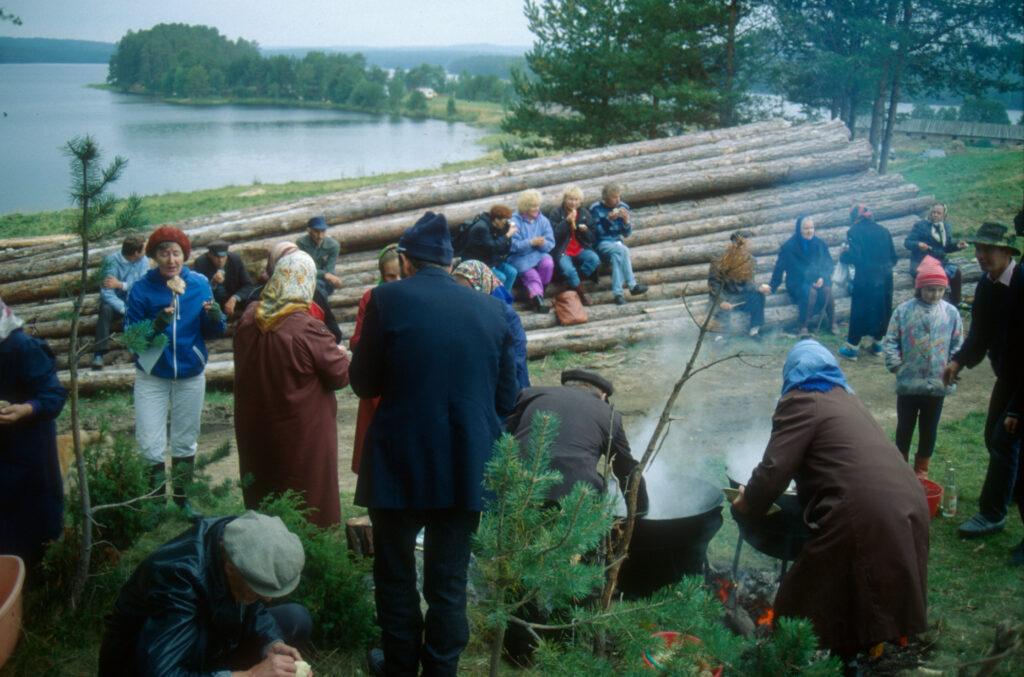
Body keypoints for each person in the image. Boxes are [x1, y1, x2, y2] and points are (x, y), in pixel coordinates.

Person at [349, 211, 518, 677]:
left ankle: (400, 668)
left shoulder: (386, 299)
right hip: (466, 462)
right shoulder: (494, 308)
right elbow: (507, 396)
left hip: (397, 461)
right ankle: (441, 671)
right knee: (449, 580)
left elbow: (363, 383)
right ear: (449, 262)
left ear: (405, 260)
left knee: (395, 574)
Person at [732, 340, 929, 675]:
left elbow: (773, 472)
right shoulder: (848, 400)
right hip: (908, 505)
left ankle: (783, 663)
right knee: (855, 585)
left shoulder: (801, 400)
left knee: (798, 599)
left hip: (862, 513)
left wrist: (746, 503)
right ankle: (850, 657)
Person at [98, 511, 313, 677]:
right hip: (147, 664)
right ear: (230, 568)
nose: (268, 599)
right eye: (261, 590)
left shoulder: (240, 539)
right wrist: (251, 675)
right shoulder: (179, 578)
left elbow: (252, 608)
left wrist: (272, 644)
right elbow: (161, 672)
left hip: (209, 638)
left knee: (296, 619)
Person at [233, 251, 351, 528]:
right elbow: (340, 376)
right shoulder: (306, 327)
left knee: (264, 485)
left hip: (257, 426)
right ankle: (306, 548)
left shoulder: (249, 318)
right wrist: (341, 353)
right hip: (301, 429)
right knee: (303, 492)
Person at [126, 226, 226, 518]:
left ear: (185, 255)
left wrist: (216, 319)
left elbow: (212, 333)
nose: (171, 260)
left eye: (176, 253)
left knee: (185, 437)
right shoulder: (141, 289)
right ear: (154, 257)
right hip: (152, 375)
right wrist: (155, 326)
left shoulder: (198, 284)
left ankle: (183, 501)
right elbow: (132, 339)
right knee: (150, 441)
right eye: (163, 253)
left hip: (190, 373)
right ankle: (157, 504)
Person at [941, 223, 1022, 561]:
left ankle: (992, 513)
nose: (980, 255)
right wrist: (958, 362)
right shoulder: (987, 287)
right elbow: (981, 336)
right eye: (978, 248)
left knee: (1006, 440)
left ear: (1008, 252)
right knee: (993, 437)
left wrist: (1018, 410)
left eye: (988, 249)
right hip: (1010, 375)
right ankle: (1010, 489)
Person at [503, 369, 647, 511]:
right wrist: (640, 515)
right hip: (574, 499)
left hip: (517, 488)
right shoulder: (610, 416)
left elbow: (502, 440)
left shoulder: (530, 394)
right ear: (602, 396)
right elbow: (626, 470)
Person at [0, 295, 67, 571]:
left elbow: (53, 395)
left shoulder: (22, 347)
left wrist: (26, 409)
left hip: (27, 448)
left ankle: (35, 576)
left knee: (28, 516)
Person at [882, 256, 964, 478]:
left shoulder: (950, 313)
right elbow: (890, 340)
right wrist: (897, 366)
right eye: (929, 290)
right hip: (909, 382)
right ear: (919, 289)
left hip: (938, 383)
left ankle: (921, 470)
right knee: (905, 427)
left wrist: (953, 367)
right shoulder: (903, 311)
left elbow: (958, 343)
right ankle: (900, 468)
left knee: (929, 429)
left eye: (939, 290)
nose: (934, 295)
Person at [349, 244, 401, 474]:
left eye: (401, 274)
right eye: (391, 276)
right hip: (379, 383)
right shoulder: (372, 298)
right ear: (382, 274)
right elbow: (358, 341)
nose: (396, 280)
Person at [452, 259, 531, 391]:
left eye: (466, 289)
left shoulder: (505, 314)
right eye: (457, 289)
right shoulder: (459, 312)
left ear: (482, 285)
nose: (462, 295)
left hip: (504, 382)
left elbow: (518, 353)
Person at [838, 204, 898, 360]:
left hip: (866, 279)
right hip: (885, 278)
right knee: (882, 311)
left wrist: (843, 255)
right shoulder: (884, 231)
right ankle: (878, 345)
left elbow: (855, 256)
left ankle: (852, 348)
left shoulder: (854, 231)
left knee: (860, 312)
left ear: (854, 217)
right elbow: (894, 258)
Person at [251, 241, 343, 344]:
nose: (293, 267)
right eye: (286, 263)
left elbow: (335, 332)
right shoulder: (258, 298)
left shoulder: (314, 293)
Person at [770, 216, 838, 336]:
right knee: (811, 292)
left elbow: (828, 265)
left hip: (818, 280)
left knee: (827, 290)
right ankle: (802, 326)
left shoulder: (820, 244)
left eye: (811, 228)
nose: (809, 231)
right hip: (797, 282)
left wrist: (822, 277)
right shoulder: (789, 246)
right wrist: (772, 286)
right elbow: (779, 268)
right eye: (805, 228)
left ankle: (833, 323)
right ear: (799, 229)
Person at [91, 234, 148, 370]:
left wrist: (121, 285)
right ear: (136, 252)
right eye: (144, 249)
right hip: (116, 304)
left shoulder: (143, 260)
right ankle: (99, 353)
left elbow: (142, 285)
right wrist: (125, 310)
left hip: (135, 300)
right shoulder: (111, 262)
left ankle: (145, 350)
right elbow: (106, 293)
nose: (146, 251)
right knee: (105, 309)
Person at [590, 182, 648, 305]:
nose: (618, 200)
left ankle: (618, 294)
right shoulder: (595, 209)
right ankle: (632, 285)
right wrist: (608, 221)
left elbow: (626, 234)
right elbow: (597, 233)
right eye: (614, 197)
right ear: (605, 198)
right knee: (623, 250)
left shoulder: (623, 207)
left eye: (619, 196)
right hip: (602, 243)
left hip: (617, 244)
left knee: (617, 256)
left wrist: (626, 222)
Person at [708, 230, 772, 339]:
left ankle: (754, 330)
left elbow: (748, 284)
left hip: (740, 298)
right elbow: (714, 284)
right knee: (722, 310)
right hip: (724, 295)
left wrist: (758, 288)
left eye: (745, 245)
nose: (743, 248)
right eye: (740, 245)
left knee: (758, 296)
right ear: (733, 244)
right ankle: (721, 337)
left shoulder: (750, 260)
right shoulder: (720, 260)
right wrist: (721, 300)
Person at [904, 202, 968, 304]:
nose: (935, 215)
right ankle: (925, 302)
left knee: (956, 272)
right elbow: (907, 243)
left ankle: (956, 301)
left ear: (944, 216)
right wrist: (918, 244)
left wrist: (956, 246)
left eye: (938, 213)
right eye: (933, 212)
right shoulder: (920, 226)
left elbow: (946, 247)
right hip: (921, 262)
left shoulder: (946, 227)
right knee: (932, 276)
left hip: (940, 262)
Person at [547, 185, 600, 306]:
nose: (573, 202)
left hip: (580, 248)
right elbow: (554, 235)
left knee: (594, 259)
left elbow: (592, 236)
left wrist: (585, 230)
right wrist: (566, 222)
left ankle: (574, 282)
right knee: (568, 269)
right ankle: (582, 293)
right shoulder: (556, 213)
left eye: (576, 200)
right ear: (565, 199)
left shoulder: (584, 213)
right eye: (570, 199)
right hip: (563, 249)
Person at [508, 189, 555, 311]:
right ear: (525, 207)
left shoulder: (543, 220)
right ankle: (538, 301)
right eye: (533, 206)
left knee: (548, 264)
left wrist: (542, 244)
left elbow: (551, 243)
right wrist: (530, 242)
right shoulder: (514, 221)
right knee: (532, 275)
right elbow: (513, 245)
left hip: (538, 253)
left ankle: (539, 293)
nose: (537, 209)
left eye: (538, 205)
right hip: (520, 257)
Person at [191, 238, 255, 320]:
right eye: (217, 257)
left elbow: (248, 285)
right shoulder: (201, 263)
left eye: (223, 257)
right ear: (210, 255)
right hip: (214, 302)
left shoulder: (235, 260)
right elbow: (199, 291)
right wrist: (213, 282)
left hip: (233, 299)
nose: (221, 260)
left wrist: (234, 298)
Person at [458, 204, 518, 289]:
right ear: (496, 220)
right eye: (504, 221)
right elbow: (492, 247)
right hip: (478, 263)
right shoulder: (481, 228)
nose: (505, 224)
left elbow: (504, 248)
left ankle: (504, 300)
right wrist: (507, 235)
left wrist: (507, 235)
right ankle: (495, 301)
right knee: (501, 277)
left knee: (512, 272)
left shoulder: (497, 226)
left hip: (491, 261)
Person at [296, 215, 342, 300]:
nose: (320, 236)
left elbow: (329, 270)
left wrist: (326, 275)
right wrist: (325, 275)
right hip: (306, 279)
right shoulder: (301, 243)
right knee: (316, 288)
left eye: (323, 231)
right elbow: (304, 269)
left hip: (324, 281)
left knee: (318, 287)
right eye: (316, 232)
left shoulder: (333, 246)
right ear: (309, 231)